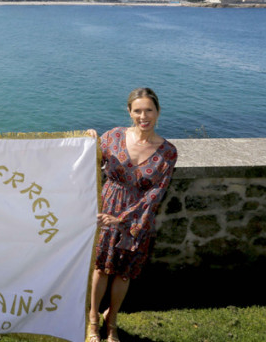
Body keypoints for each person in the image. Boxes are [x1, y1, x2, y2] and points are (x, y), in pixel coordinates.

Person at [85, 88, 178, 342]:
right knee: (101, 268)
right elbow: (86, 159)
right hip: (106, 209)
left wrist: (124, 219)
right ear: (129, 112)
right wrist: (88, 139)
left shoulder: (168, 152)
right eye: (137, 110)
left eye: (149, 110)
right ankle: (93, 321)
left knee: (124, 271)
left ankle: (111, 320)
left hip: (138, 218)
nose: (143, 116)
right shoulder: (112, 137)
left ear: (158, 112)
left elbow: (157, 193)